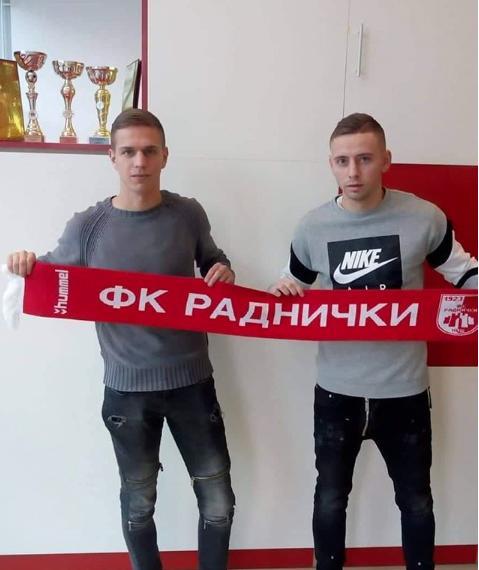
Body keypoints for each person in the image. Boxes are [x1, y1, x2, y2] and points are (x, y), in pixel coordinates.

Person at [7, 109, 236, 570]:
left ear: (165, 156)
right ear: (111, 157)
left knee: (218, 501)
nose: (139, 162)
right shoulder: (88, 226)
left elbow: (214, 260)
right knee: (139, 503)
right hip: (126, 392)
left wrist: (222, 270)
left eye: (149, 151)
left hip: (193, 383)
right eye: (128, 152)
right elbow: (47, 273)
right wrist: (23, 263)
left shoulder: (188, 214)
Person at [270, 113, 477, 570]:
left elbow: (464, 273)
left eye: (364, 159)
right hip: (336, 392)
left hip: (404, 391)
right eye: (342, 161)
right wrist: (283, 290)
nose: (353, 172)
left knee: (416, 500)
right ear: (331, 163)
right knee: (329, 498)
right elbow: (292, 283)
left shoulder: (424, 217)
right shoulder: (312, 227)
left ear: (386, 160)